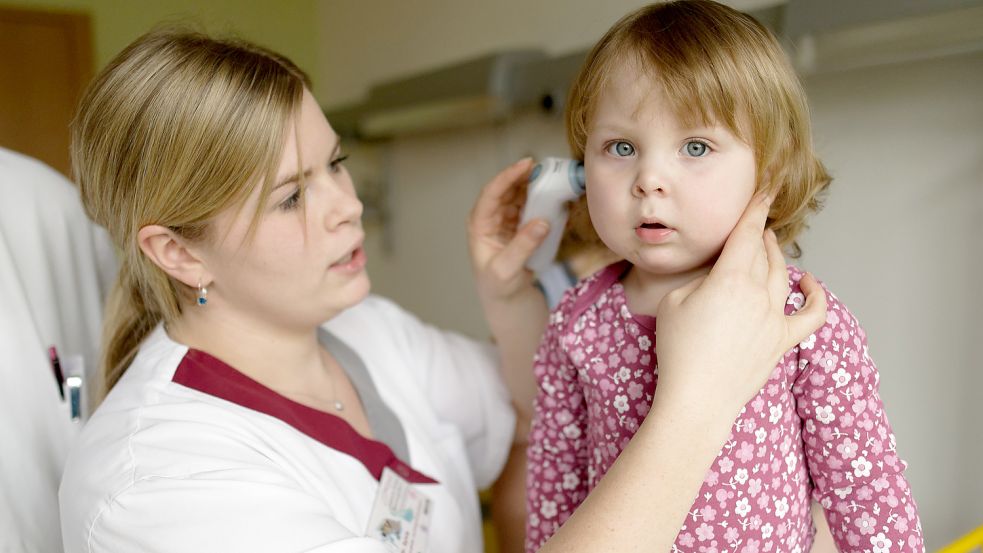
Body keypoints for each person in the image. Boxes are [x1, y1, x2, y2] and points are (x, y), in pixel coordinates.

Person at [58, 29, 826, 553]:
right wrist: (701, 400)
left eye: (336, 162)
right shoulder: (161, 483)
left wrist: (511, 301)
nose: (348, 205)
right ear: (177, 253)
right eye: (293, 197)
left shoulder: (366, 332)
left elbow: (549, 406)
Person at [523, 2, 924, 552]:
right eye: (621, 147)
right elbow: (555, 491)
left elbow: (868, 495)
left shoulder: (801, 318)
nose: (649, 180)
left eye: (695, 147)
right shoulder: (575, 322)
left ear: (771, 171)